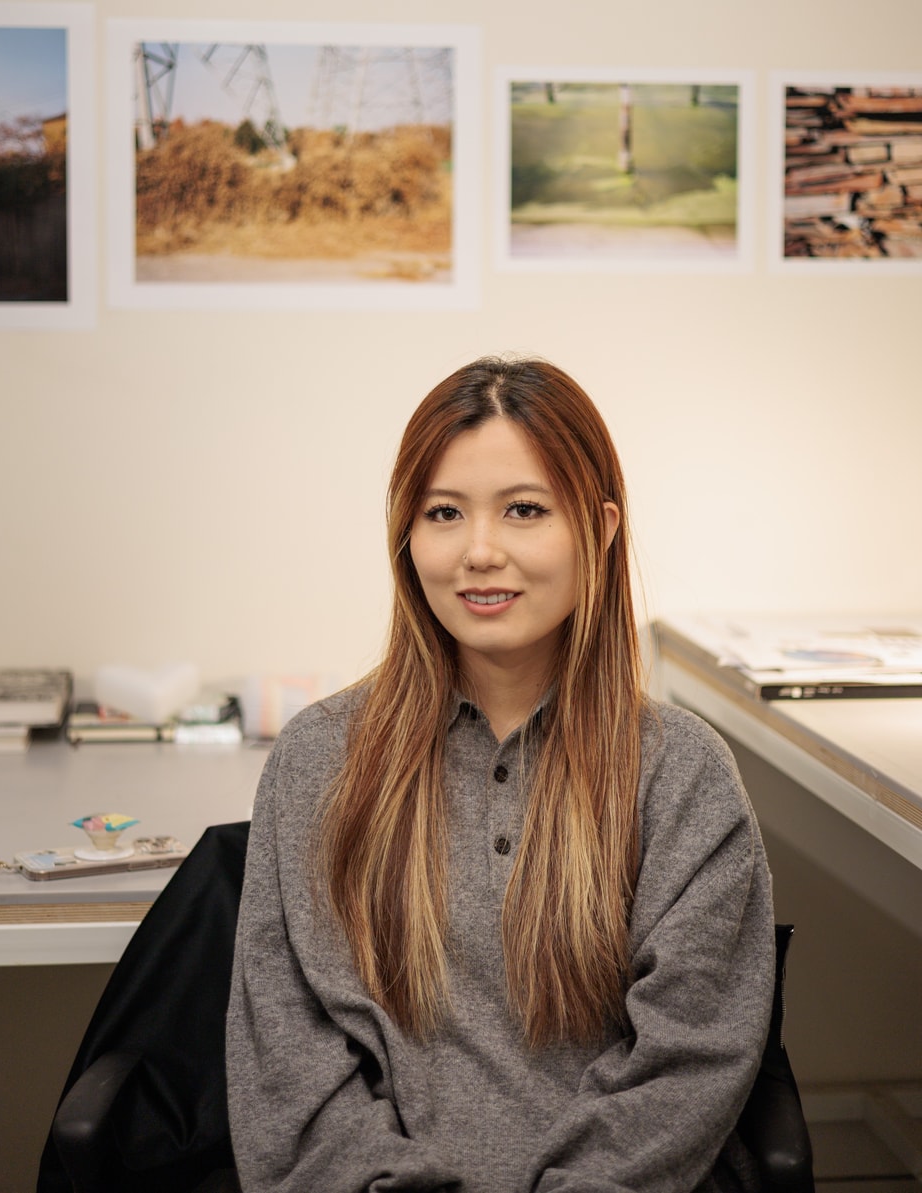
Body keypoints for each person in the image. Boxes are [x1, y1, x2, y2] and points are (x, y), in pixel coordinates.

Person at [226, 356, 775, 1193]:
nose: (480, 552)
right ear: (406, 536)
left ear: (599, 527)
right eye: (443, 512)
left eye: (524, 510)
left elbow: (690, 1062)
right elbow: (289, 1055)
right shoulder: (319, 758)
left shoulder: (681, 773)